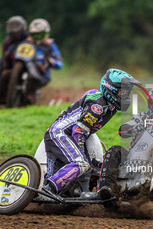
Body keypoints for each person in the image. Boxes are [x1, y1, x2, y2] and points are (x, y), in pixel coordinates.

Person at [42, 68, 141, 196]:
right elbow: (78, 131)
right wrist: (84, 158)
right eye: (123, 92)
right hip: (60, 134)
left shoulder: (109, 107)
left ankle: (50, 188)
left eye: (127, 93)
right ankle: (48, 190)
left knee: (84, 167)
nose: (126, 96)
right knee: (81, 164)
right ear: (110, 89)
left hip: (63, 134)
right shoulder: (98, 105)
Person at [22, 18, 63, 103]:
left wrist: (51, 61)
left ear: (46, 35)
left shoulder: (51, 46)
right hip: (23, 66)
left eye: (39, 35)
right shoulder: (26, 43)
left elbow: (60, 64)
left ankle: (31, 94)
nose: (37, 38)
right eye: (34, 35)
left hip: (43, 75)